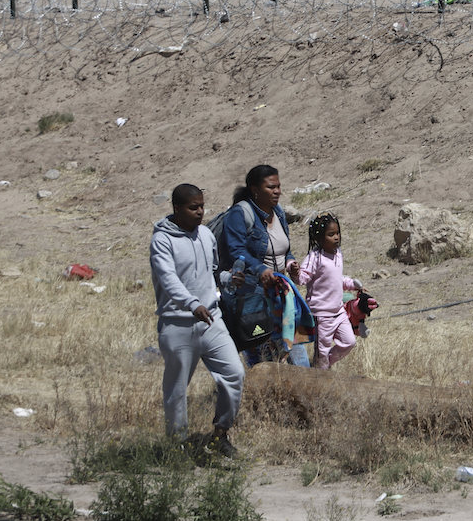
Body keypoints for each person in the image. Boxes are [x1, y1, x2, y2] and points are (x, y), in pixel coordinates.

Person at [150, 183, 243, 457]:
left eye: (202, 206)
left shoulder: (205, 235)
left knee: (234, 374)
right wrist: (192, 304)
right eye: (193, 207)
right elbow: (169, 280)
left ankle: (220, 434)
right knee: (177, 390)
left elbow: (211, 272)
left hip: (211, 320)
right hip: (177, 324)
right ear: (177, 208)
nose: (200, 212)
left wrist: (227, 280)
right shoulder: (162, 241)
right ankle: (176, 447)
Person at [220, 164, 309, 366]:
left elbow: (284, 248)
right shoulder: (239, 214)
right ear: (254, 189)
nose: (277, 191)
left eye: (278, 186)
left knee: (295, 349)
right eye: (270, 187)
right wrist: (260, 269)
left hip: (281, 296)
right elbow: (236, 251)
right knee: (260, 355)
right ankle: (261, 393)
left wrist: (290, 262)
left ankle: (302, 390)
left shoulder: (278, 212)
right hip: (254, 296)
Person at [298, 212, 374, 369]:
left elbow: (337, 280)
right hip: (322, 315)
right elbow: (302, 279)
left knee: (349, 341)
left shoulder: (338, 254)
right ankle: (321, 372)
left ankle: (322, 366)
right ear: (319, 239)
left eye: (337, 233)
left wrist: (353, 284)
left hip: (339, 311)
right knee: (322, 350)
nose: (336, 237)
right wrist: (294, 271)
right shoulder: (315, 257)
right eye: (331, 234)